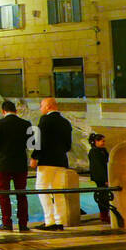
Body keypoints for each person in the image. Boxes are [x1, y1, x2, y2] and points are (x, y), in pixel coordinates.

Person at [0, 99, 32, 231]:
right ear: (16, 111)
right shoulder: (26, 124)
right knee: (21, 194)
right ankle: (23, 224)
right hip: (20, 163)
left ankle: (7, 223)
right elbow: (32, 143)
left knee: (4, 194)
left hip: (4, 163)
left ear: (3, 111)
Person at [31, 97, 73, 231]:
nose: (40, 108)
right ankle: (60, 220)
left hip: (46, 161)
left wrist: (34, 157)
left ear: (48, 107)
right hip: (61, 160)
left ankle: (50, 221)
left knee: (42, 189)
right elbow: (68, 145)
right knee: (58, 191)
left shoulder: (45, 121)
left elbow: (39, 141)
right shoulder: (66, 122)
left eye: (41, 106)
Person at [88, 133, 111, 224]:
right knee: (102, 196)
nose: (103, 143)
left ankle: (106, 214)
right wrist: (104, 179)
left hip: (104, 176)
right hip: (101, 178)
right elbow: (98, 167)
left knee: (105, 196)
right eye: (102, 141)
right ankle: (104, 214)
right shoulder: (94, 152)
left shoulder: (103, 151)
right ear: (96, 142)